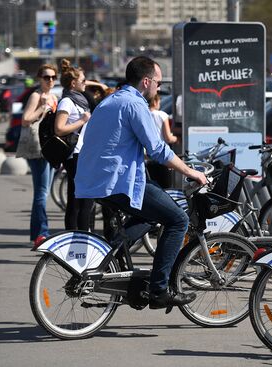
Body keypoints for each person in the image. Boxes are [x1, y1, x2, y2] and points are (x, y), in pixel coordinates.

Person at [75, 56, 207, 309]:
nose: (158, 88)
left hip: (96, 180)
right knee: (178, 220)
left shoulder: (110, 101)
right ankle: (159, 291)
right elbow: (158, 150)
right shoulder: (135, 105)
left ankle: (111, 254)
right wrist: (191, 172)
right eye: (157, 82)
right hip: (117, 182)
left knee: (150, 213)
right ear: (146, 81)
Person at [17, 64, 59, 249]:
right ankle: (41, 234)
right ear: (39, 78)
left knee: (44, 192)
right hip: (37, 148)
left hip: (49, 146)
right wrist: (42, 107)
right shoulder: (36, 96)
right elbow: (26, 119)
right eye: (46, 77)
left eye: (53, 77)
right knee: (41, 193)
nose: (50, 80)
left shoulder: (54, 96)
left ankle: (38, 233)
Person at [54, 59, 94, 231]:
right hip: (74, 156)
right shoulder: (67, 102)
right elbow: (59, 128)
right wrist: (82, 120)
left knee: (86, 202)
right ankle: (74, 238)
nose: (86, 83)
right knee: (77, 202)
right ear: (73, 83)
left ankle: (84, 239)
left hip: (83, 154)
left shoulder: (80, 100)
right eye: (83, 81)